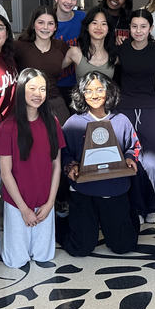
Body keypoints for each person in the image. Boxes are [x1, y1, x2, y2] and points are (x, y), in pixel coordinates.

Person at [59, 72, 141, 256]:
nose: (94, 95)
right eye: (88, 91)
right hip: (83, 190)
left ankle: (127, 218)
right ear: (81, 95)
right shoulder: (73, 123)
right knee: (81, 248)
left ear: (108, 91)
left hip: (114, 187)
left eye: (99, 89)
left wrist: (129, 157)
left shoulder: (121, 120)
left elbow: (134, 146)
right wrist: (71, 166)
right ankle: (62, 221)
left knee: (123, 246)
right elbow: (63, 152)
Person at [0, 69, 65, 268]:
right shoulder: (8, 126)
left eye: (42, 89)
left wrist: (50, 202)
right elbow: (5, 172)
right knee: (16, 261)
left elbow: (56, 164)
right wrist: (24, 209)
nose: (37, 94)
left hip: (44, 200)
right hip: (18, 202)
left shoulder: (52, 122)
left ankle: (16, 232)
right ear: (21, 90)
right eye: (32, 88)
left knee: (44, 256)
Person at [116, 9, 155, 224]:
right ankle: (134, 206)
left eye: (143, 26)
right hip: (126, 108)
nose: (138, 31)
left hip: (151, 108)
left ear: (151, 28)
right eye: (134, 26)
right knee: (129, 159)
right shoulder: (120, 49)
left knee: (152, 160)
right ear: (129, 29)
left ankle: (153, 203)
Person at [13, 6, 71, 123]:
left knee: (63, 138)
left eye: (50, 23)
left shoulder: (61, 46)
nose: (45, 27)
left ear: (55, 27)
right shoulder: (19, 46)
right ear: (33, 25)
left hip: (55, 102)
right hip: (29, 104)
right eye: (41, 22)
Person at [53, 0, 86, 106]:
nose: (69, 1)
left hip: (76, 82)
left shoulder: (82, 18)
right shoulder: (48, 22)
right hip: (54, 84)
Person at [66, 6, 117, 80]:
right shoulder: (75, 52)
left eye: (103, 24)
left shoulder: (114, 55)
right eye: (94, 23)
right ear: (87, 27)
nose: (99, 27)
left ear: (108, 29)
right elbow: (52, 68)